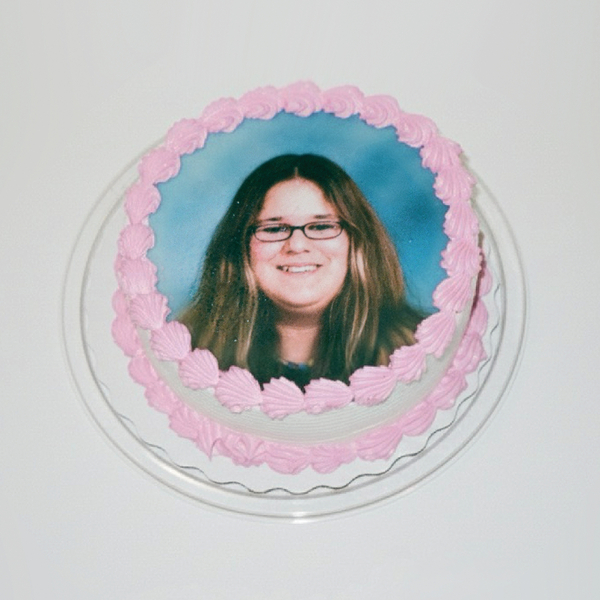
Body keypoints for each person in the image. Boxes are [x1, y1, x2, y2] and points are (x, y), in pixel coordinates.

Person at [178, 154, 423, 388]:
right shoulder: (185, 350)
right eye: (274, 229)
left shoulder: (421, 349)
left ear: (357, 242)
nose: (296, 245)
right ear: (240, 246)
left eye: (321, 226)